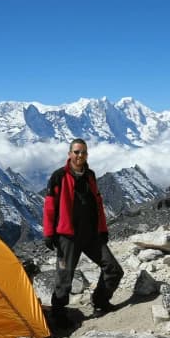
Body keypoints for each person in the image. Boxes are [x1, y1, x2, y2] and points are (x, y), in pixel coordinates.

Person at [43, 138, 124, 326]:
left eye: (83, 152)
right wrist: (49, 233)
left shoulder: (90, 176)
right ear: (70, 154)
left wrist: (102, 229)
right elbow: (49, 207)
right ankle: (59, 316)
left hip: (90, 236)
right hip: (67, 237)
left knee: (113, 269)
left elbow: (98, 204)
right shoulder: (59, 177)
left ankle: (100, 302)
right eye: (77, 152)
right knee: (64, 279)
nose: (80, 156)